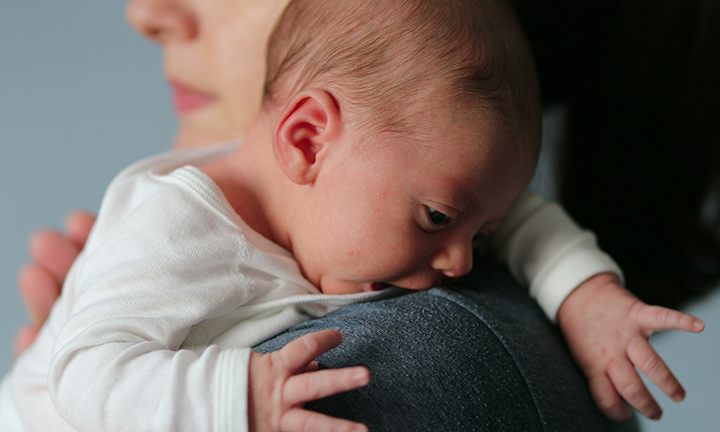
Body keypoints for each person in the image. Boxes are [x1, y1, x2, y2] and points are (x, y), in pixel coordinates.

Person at [8, 0, 702, 430]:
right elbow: (88, 375)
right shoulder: (175, 233)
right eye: (436, 218)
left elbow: (512, 214)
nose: (461, 264)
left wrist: (586, 292)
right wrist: (237, 396)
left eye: (477, 235)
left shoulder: (396, 202)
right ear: (307, 139)